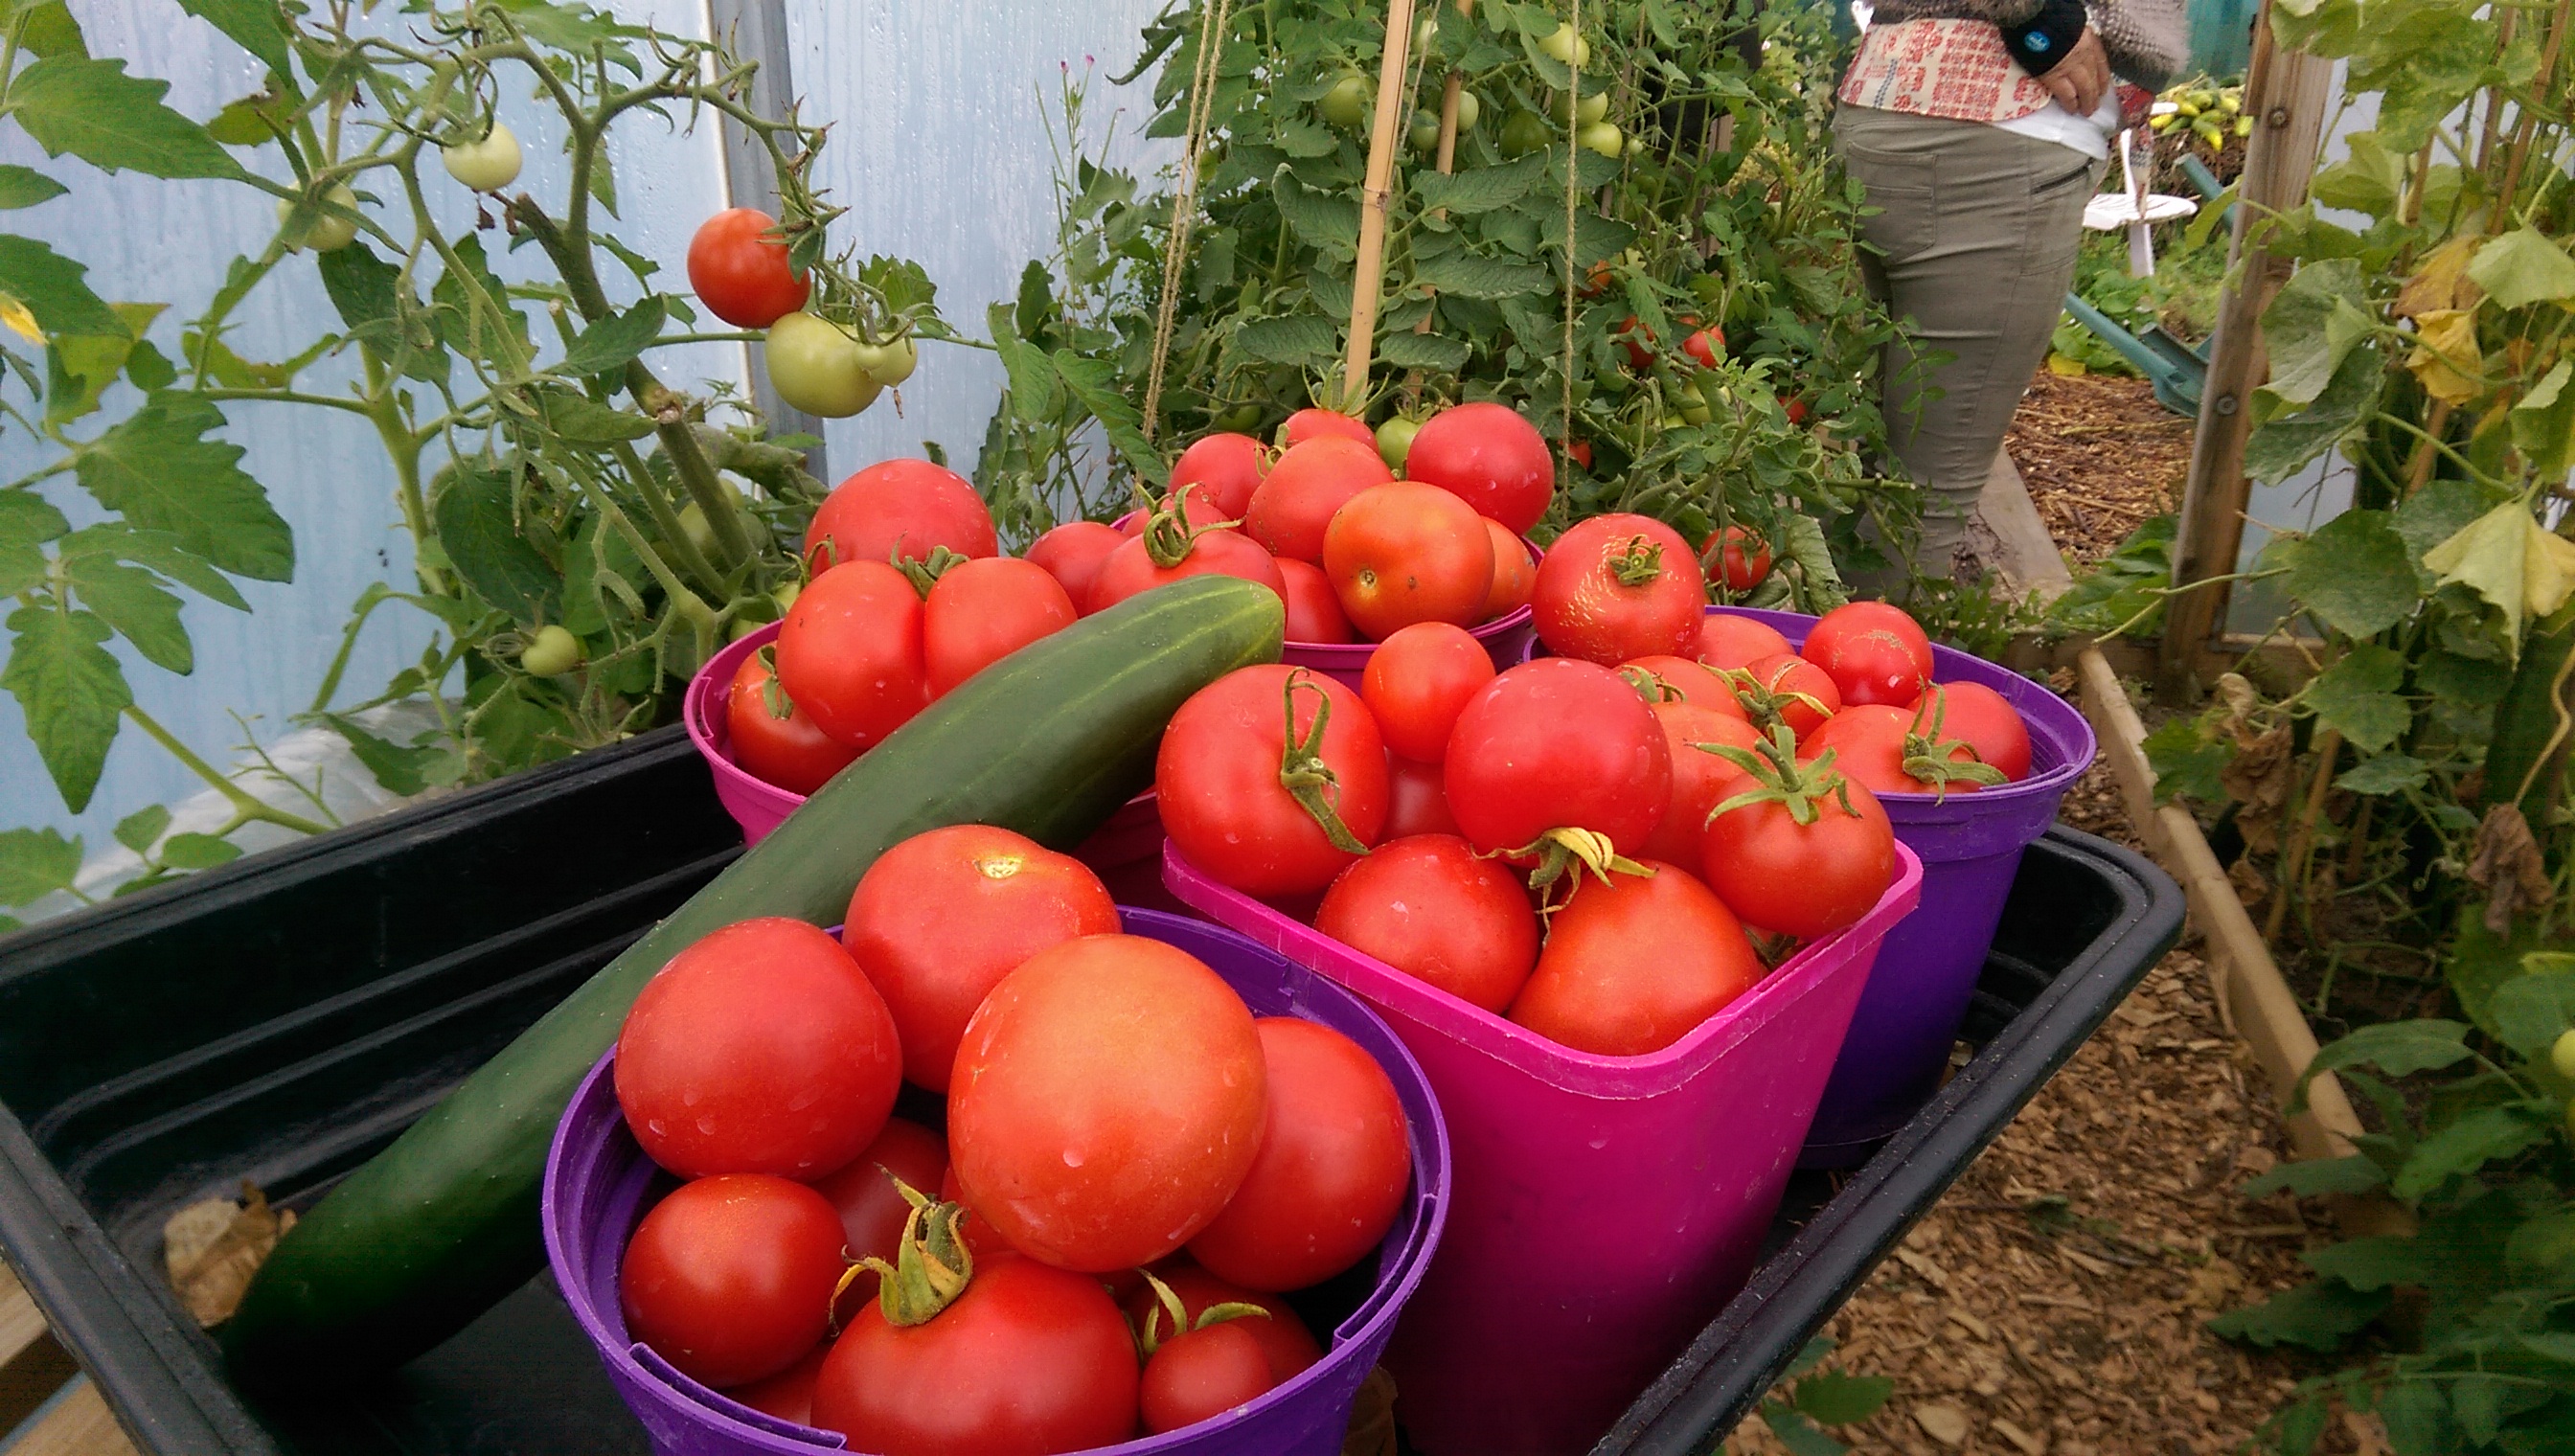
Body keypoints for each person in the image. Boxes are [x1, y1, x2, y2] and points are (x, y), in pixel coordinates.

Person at [1834, 0, 2188, 580]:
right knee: (1926, 494)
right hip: (1996, 136)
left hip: (1913, 105)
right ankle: (1863, 636)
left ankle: (1817, 625)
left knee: (1889, 462)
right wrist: (2042, 21)